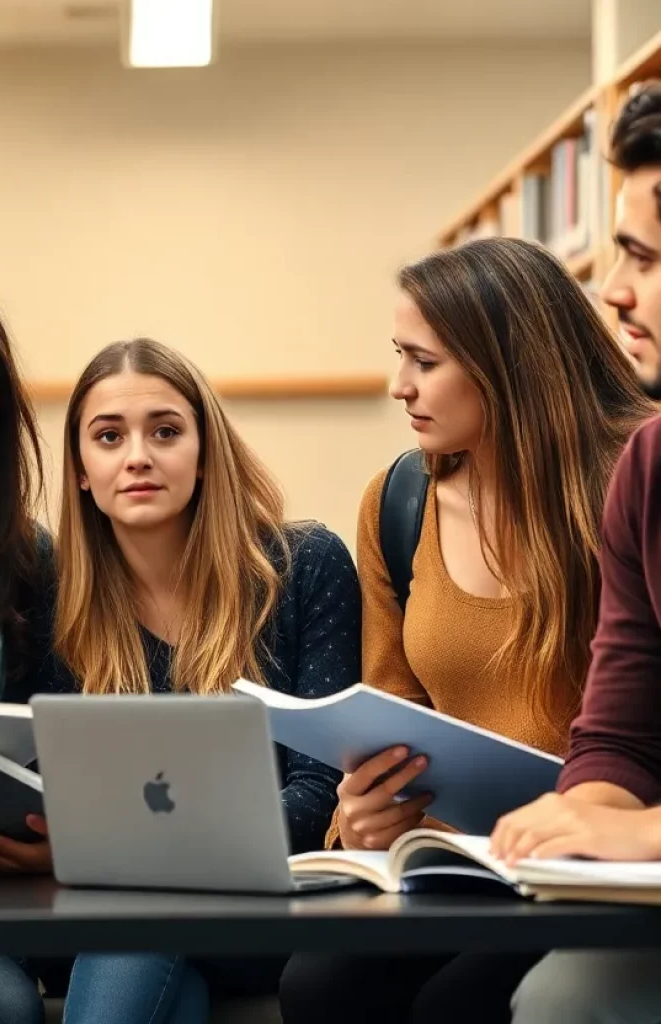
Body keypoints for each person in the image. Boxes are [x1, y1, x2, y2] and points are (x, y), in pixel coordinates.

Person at [278, 236, 655, 1024]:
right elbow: (388, 717)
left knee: (456, 1007)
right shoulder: (399, 500)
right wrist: (363, 815)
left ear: (503, 363)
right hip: (456, 860)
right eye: (397, 356)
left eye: (423, 361)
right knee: (317, 988)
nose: (396, 386)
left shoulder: (634, 476)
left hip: (590, 858)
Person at [0, 336, 363, 1022]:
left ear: (204, 453)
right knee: (152, 966)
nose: (137, 455)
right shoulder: (48, 592)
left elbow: (320, 797)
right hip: (101, 916)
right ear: (80, 468)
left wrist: (112, 852)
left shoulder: (303, 565)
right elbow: (36, 783)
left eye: (165, 431)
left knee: (136, 934)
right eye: (108, 436)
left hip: (259, 913)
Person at [490, 81, 661, 1024]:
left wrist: (639, 831)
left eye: (640, 255)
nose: (615, 290)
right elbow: (621, 735)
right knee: (559, 998)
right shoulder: (647, 468)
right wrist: (580, 819)